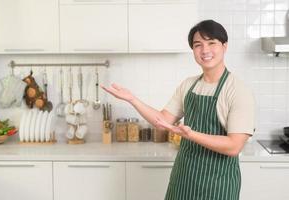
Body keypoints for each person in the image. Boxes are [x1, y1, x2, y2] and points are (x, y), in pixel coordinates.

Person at [101, 19, 255, 200]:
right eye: (198, 45)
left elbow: (234, 146)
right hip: (184, 178)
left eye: (211, 43)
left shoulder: (237, 90)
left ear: (224, 46)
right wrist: (132, 99)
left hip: (218, 184)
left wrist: (190, 135)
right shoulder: (189, 85)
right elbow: (162, 122)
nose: (205, 50)